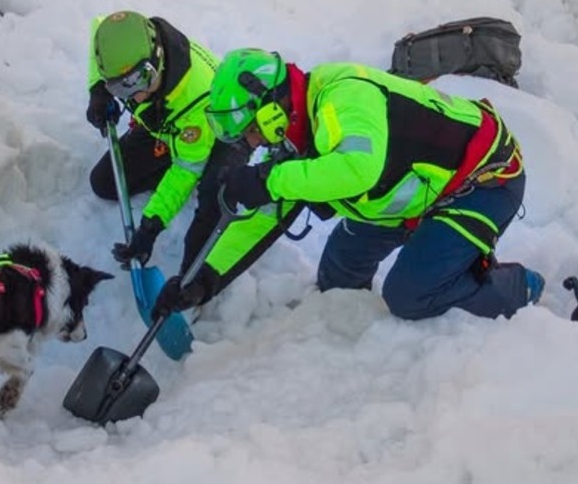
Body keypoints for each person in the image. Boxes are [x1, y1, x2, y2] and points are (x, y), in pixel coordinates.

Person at [150, 47, 545, 322]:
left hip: (482, 181)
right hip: (413, 194)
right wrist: (204, 280)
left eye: (251, 132)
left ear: (270, 110)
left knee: (408, 297)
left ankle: (515, 287)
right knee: (337, 281)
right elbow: (267, 215)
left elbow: (359, 169)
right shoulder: (294, 134)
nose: (254, 145)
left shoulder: (343, 95)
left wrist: (271, 179)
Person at [85, 11, 249, 272]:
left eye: (140, 80)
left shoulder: (198, 100)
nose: (135, 97)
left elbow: (186, 168)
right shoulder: (127, 50)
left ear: (157, 57)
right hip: (165, 126)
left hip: (219, 133)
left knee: (213, 194)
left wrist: (151, 225)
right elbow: (98, 28)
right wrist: (98, 90)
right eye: (119, 88)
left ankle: (193, 280)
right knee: (104, 183)